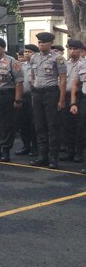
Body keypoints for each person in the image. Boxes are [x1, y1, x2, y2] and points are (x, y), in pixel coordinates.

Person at [29, 32, 67, 168]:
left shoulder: (58, 58)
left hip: (51, 93)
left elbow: (63, 79)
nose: (41, 44)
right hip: (38, 93)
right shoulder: (34, 58)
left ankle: (53, 158)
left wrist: (61, 99)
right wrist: (34, 88)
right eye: (39, 42)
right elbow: (32, 76)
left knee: (52, 126)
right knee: (39, 125)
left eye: (43, 42)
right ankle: (42, 156)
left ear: (50, 43)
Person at [61, 39, 85, 162]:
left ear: (81, 50)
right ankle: (69, 151)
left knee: (79, 126)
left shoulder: (83, 63)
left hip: (79, 96)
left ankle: (78, 153)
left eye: (75, 49)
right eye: (70, 49)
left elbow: (78, 84)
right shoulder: (64, 64)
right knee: (67, 125)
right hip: (65, 95)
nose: (72, 51)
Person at [16, 45, 38, 156]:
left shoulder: (37, 65)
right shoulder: (21, 66)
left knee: (33, 124)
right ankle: (26, 146)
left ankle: (35, 147)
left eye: (30, 52)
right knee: (23, 123)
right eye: (25, 52)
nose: (27, 54)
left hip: (34, 97)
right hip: (22, 97)